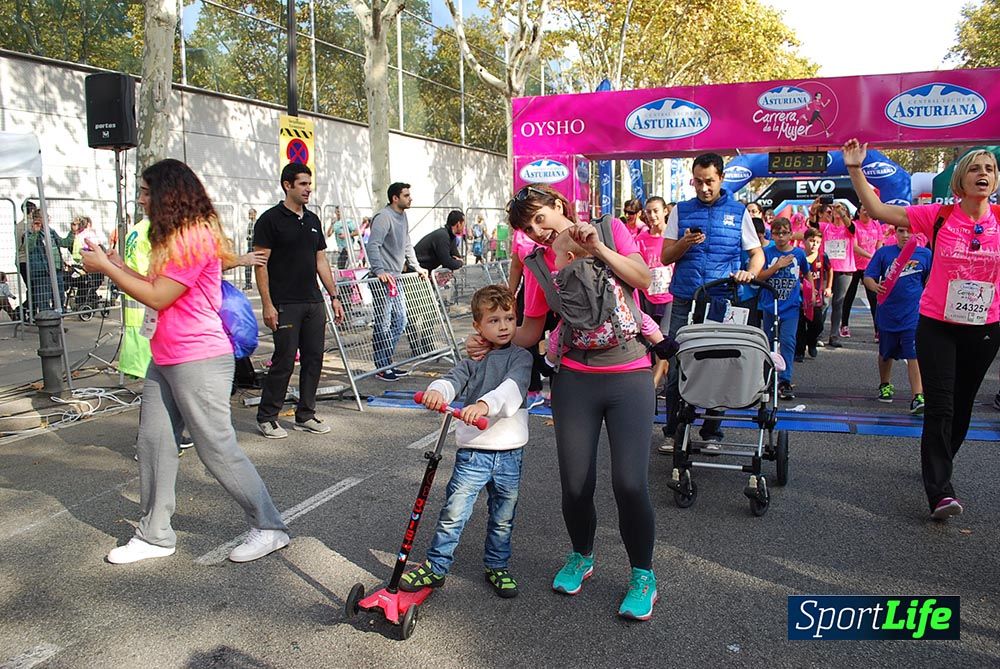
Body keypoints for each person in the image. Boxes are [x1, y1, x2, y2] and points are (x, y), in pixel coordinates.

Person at [81, 158, 289, 564]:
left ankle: (269, 526)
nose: (140, 199)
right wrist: (118, 267)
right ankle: (155, 534)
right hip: (167, 355)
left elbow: (159, 297)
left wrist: (108, 268)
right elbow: (156, 288)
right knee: (155, 443)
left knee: (216, 448)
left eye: (145, 191)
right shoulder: (173, 236)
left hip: (199, 358)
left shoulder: (193, 236)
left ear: (166, 194)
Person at [495, 183, 659, 621]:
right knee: (575, 484)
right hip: (574, 380)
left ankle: (642, 574)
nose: (537, 230)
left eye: (540, 217)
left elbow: (643, 279)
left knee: (629, 483)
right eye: (528, 227)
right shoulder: (536, 264)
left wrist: (598, 249)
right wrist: (489, 338)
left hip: (629, 375)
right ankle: (581, 556)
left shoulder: (610, 227)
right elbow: (531, 330)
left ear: (558, 205)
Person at [844, 138, 1000, 520]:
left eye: (990, 169)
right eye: (976, 168)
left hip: (984, 327)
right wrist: (854, 168)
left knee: (962, 409)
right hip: (936, 325)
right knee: (941, 405)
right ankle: (940, 490)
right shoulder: (939, 215)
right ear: (961, 180)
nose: (984, 173)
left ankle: (938, 461)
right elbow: (879, 209)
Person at [399, 285, 532, 598]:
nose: (503, 326)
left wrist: (484, 405)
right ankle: (436, 566)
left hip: (509, 452)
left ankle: (497, 566)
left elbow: (513, 390)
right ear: (478, 326)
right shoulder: (474, 358)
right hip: (474, 452)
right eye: (494, 320)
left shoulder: (520, 358)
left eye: (509, 318)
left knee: (503, 517)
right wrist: (438, 391)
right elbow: (453, 379)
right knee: (453, 513)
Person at [659, 153, 764, 448]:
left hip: (721, 299)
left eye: (710, 182)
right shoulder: (680, 210)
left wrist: (749, 274)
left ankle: (712, 432)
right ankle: (673, 432)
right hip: (684, 297)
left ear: (721, 179)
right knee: (678, 364)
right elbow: (665, 256)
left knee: (718, 364)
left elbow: (757, 254)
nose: (703, 188)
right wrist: (684, 243)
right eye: (698, 182)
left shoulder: (738, 211)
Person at [253, 163, 345, 439]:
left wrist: (334, 295)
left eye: (309, 183)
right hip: (285, 303)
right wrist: (268, 304)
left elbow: (321, 260)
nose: (308, 189)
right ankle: (267, 417)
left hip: (313, 302)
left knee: (314, 359)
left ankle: (306, 414)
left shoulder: (313, 220)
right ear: (287, 185)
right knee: (283, 361)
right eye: (303, 184)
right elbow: (261, 265)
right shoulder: (270, 220)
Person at [545, 229, 677, 383]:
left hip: (581, 334)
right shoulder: (604, 267)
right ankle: (662, 343)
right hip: (620, 326)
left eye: (556, 257)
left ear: (569, 258)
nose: (554, 262)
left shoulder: (560, 278)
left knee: (559, 334)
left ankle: (549, 362)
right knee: (640, 318)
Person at [863, 225, 931, 414]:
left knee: (913, 354)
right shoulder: (884, 253)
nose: (905, 235)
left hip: (913, 314)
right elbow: (868, 276)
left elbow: (929, 279)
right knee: (886, 353)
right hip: (888, 313)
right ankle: (885, 384)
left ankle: (917, 396)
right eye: (901, 231)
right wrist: (875, 286)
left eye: (909, 231)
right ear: (895, 232)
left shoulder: (925, 254)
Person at [366, 182, 424, 382]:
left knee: (400, 320)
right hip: (383, 279)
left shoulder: (403, 217)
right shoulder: (384, 218)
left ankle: (386, 363)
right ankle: (382, 366)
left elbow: (407, 244)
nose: (410, 198)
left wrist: (416, 266)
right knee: (383, 323)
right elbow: (372, 245)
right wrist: (379, 271)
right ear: (395, 198)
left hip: (396, 278)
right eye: (406, 195)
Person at [755, 218, 809, 400]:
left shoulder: (799, 254)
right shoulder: (766, 253)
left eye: (785, 233)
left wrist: (812, 291)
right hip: (770, 306)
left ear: (791, 234)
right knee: (770, 342)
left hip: (791, 307)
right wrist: (777, 266)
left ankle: (785, 380)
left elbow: (806, 272)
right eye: (777, 233)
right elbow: (759, 276)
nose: (780, 237)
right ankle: (770, 378)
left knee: (787, 341)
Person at [841, 205, 883, 340]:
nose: (867, 212)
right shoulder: (854, 225)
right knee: (849, 296)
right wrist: (871, 256)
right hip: (855, 266)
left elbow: (879, 243)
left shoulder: (876, 225)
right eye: (863, 209)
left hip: (870, 268)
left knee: (874, 298)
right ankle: (844, 325)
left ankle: (878, 329)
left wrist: (877, 258)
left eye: (868, 209)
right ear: (858, 212)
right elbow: (854, 246)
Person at [21, 211, 73, 314]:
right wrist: (35, 232)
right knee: (43, 299)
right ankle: (46, 324)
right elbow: (28, 248)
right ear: (38, 219)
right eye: (46, 217)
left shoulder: (51, 232)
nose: (48, 219)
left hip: (56, 269)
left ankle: (58, 322)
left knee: (59, 296)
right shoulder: (30, 233)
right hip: (42, 271)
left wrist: (73, 232)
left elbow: (63, 243)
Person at [821, 202, 857, 348]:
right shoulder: (825, 227)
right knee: (823, 302)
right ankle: (818, 333)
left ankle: (834, 336)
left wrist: (841, 212)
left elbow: (851, 227)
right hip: (826, 269)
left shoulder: (849, 228)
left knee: (838, 303)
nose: (835, 212)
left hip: (844, 270)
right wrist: (818, 206)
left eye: (841, 210)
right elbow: (811, 225)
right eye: (833, 210)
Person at [795, 228, 832, 361]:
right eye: (811, 241)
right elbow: (793, 275)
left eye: (817, 241)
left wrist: (828, 287)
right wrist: (801, 286)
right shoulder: (798, 256)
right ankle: (799, 351)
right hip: (799, 296)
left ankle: (811, 341)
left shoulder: (823, 256)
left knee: (817, 324)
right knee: (799, 324)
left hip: (816, 297)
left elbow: (830, 269)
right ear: (804, 241)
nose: (814, 244)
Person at [244, 208, 257, 289]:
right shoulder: (250, 224)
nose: (249, 215)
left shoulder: (257, 223)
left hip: (255, 247)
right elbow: (249, 235)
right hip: (250, 246)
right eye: (249, 213)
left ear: (255, 214)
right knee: (248, 266)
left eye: (251, 213)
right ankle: (248, 284)